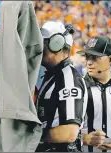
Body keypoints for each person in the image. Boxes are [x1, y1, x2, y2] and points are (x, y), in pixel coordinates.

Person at [35, 21, 88, 152]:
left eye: (43, 43)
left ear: (56, 44)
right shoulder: (54, 76)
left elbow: (69, 132)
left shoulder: (68, 78)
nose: (38, 48)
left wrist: (30, 136)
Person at [77, 36, 111, 152]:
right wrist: (83, 138)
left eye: (95, 58)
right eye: (87, 57)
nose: (89, 62)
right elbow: (61, 129)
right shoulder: (77, 88)